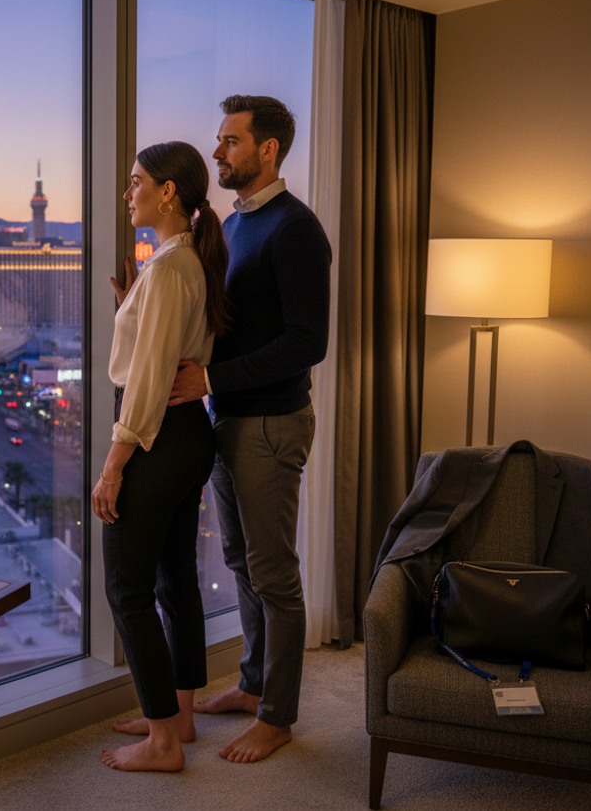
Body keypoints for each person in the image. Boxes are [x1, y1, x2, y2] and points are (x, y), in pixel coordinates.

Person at [169, 95, 332, 763]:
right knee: (239, 563)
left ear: (267, 149)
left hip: (269, 424)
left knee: (273, 572)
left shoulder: (296, 229)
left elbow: (307, 342)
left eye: (230, 141)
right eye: (218, 140)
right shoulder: (235, 226)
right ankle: (252, 682)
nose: (217, 152)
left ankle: (278, 715)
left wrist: (210, 380)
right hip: (232, 420)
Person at [94, 141, 230, 772]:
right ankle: (178, 716)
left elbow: (147, 380)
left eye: (136, 182)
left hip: (159, 437)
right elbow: (157, 350)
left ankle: (163, 742)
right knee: (175, 576)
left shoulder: (174, 269)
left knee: (126, 585)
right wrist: (131, 302)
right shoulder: (173, 265)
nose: (129, 194)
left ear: (168, 191)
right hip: (182, 437)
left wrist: (114, 465)